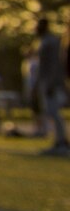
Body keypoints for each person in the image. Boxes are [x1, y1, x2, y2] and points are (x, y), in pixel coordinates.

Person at [33, 16, 68, 156]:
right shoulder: (43, 41)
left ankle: (61, 142)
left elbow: (54, 65)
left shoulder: (51, 42)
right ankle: (58, 141)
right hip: (45, 82)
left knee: (54, 113)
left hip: (51, 83)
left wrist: (51, 83)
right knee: (50, 113)